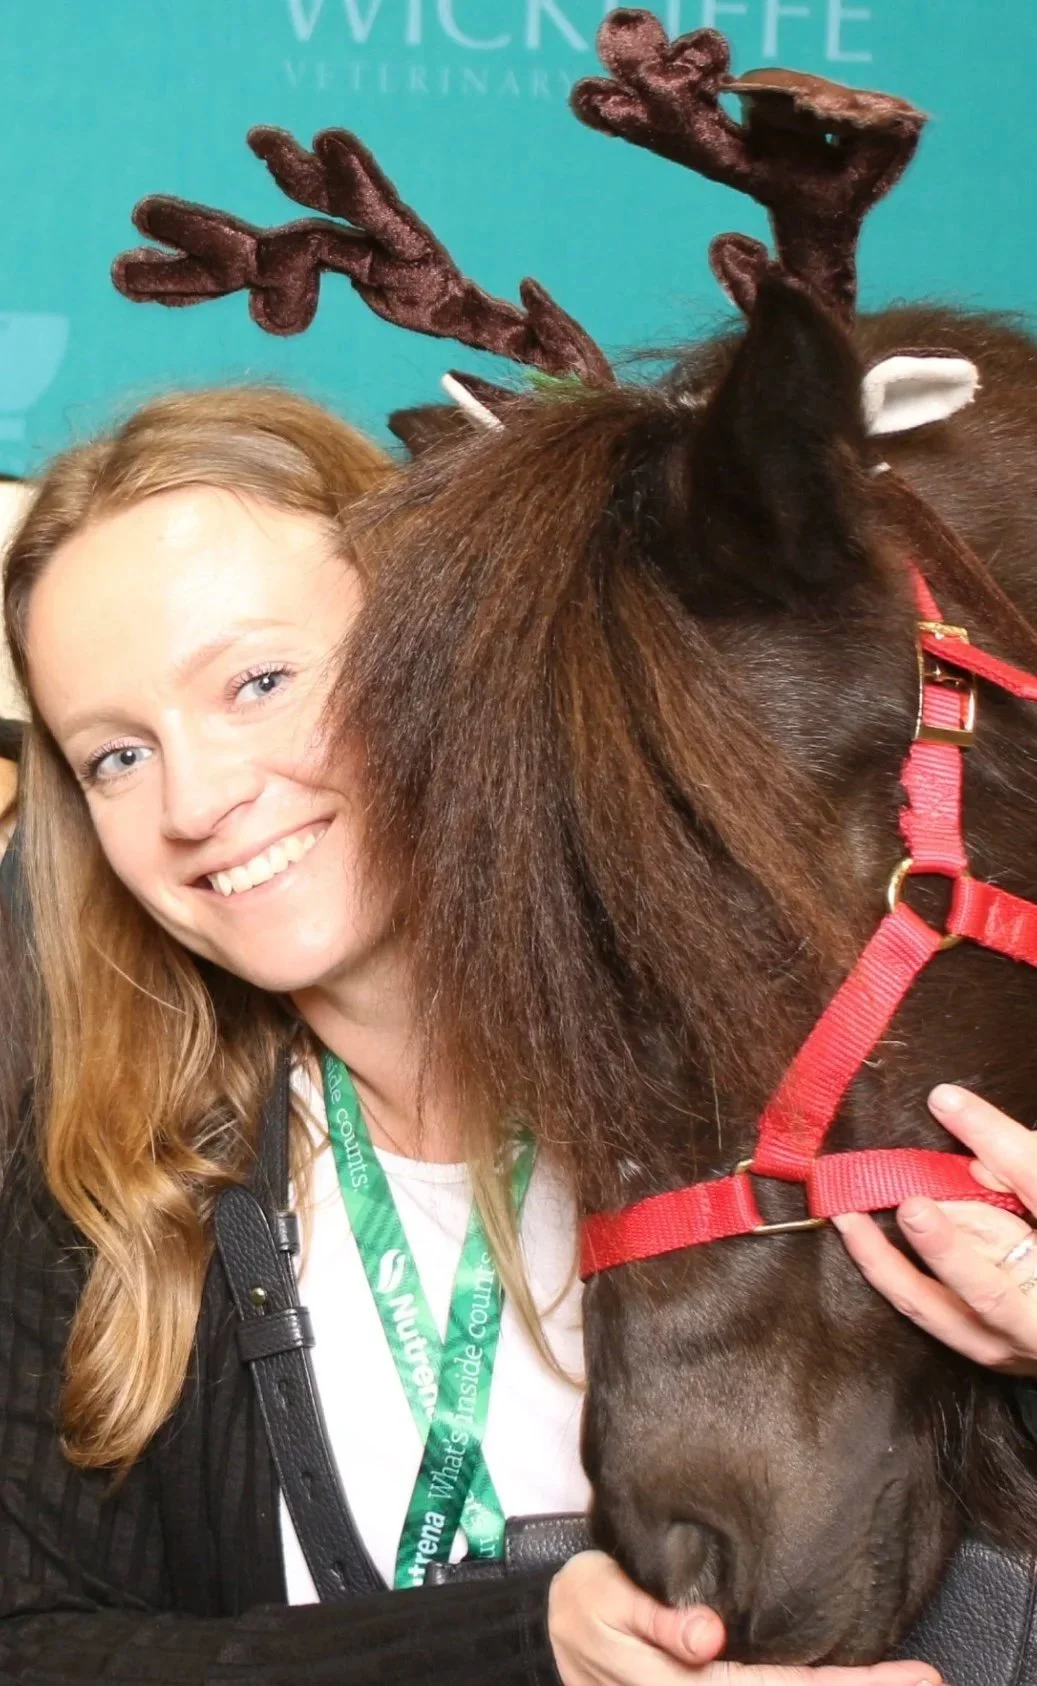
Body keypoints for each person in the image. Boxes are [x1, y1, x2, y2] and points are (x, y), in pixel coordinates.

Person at [0, 383, 946, 1686]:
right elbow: (33, 1647)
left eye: (259, 682)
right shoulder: (101, 1193)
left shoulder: (801, 1082)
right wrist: (513, 1647)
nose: (197, 800)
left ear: (441, 641)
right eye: (116, 755)